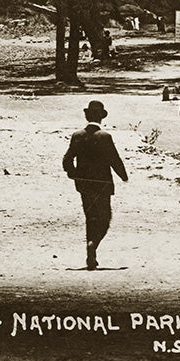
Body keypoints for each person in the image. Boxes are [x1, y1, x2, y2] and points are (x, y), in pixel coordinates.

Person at [62, 100, 129, 270]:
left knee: (90, 217)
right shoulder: (105, 137)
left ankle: (90, 251)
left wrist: (74, 174)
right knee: (105, 219)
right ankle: (94, 244)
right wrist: (123, 176)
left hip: (84, 184)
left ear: (87, 116)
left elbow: (67, 159)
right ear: (101, 118)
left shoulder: (77, 136)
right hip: (103, 183)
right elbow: (114, 160)